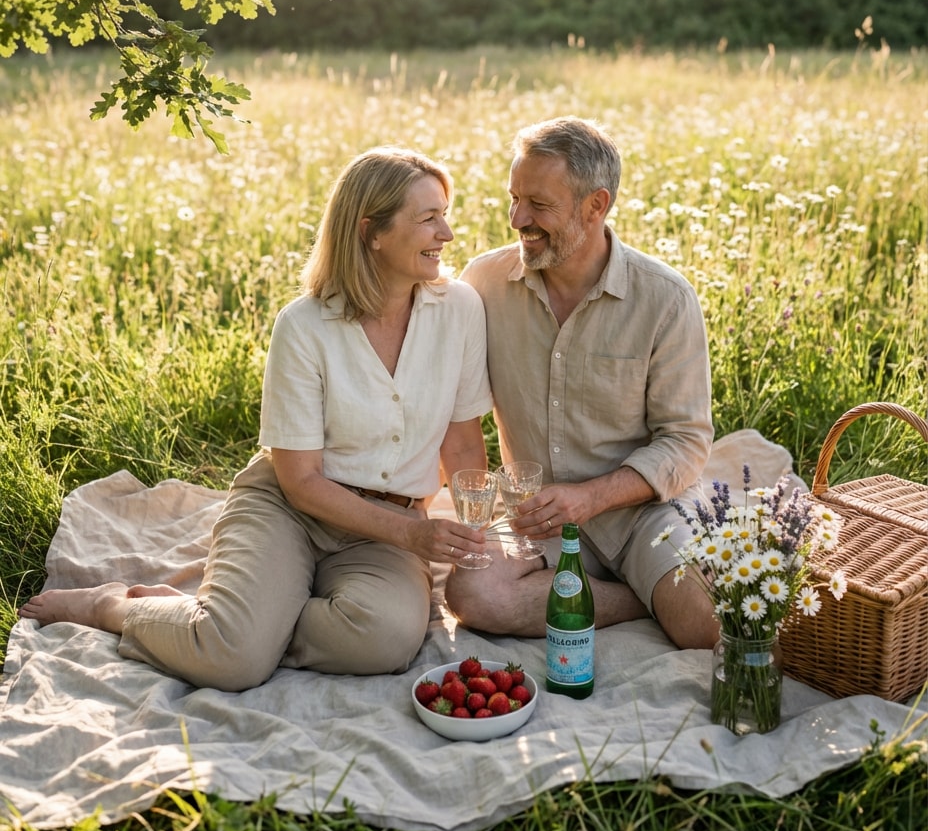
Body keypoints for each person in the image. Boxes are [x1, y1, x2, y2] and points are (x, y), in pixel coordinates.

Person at [21, 147, 493, 689]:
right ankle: (117, 608)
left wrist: (476, 541)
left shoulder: (459, 309)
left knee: (383, 640)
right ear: (372, 232)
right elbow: (302, 481)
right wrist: (414, 538)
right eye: (429, 218)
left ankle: (230, 622)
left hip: (387, 531)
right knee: (234, 663)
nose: (448, 233)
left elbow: (461, 444)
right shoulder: (304, 326)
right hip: (292, 507)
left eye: (445, 213)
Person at [444, 116, 719, 649]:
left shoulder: (666, 299)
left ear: (596, 206)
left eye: (539, 205)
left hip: (641, 511)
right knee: (474, 597)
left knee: (706, 628)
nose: (517, 218)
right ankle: (642, 599)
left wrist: (590, 498)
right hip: (534, 517)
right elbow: (454, 410)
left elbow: (686, 442)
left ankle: (648, 588)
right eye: (514, 197)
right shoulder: (482, 284)